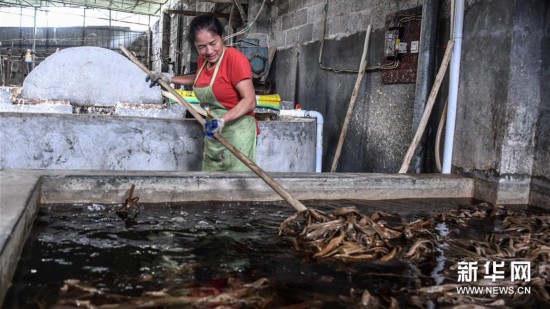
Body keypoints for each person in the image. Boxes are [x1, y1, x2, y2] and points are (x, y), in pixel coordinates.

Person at [147, 13, 257, 172]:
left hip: (237, 132)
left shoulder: (235, 59)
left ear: (222, 37)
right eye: (201, 47)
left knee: (234, 186)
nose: (209, 51)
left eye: (213, 43)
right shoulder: (203, 60)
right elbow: (200, 79)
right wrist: (170, 78)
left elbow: (250, 101)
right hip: (213, 129)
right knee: (211, 183)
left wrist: (222, 121)